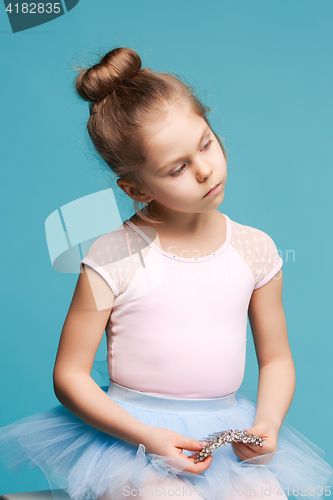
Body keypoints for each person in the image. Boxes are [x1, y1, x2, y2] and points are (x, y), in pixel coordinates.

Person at [0, 46, 332, 500]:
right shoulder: (113, 255)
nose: (203, 170)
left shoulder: (255, 249)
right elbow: (70, 375)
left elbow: (276, 358)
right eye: (176, 168)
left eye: (206, 143)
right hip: (131, 436)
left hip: (224, 434)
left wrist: (268, 423)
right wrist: (146, 436)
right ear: (136, 188)